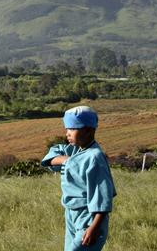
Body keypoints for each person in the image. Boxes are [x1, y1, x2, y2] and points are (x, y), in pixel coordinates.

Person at [41, 105, 116, 251]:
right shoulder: (75, 150)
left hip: (89, 218)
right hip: (71, 215)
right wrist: (68, 161)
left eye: (72, 129)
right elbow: (49, 158)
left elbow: (103, 197)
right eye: (67, 129)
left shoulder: (94, 157)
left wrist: (94, 228)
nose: (67, 133)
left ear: (88, 130)